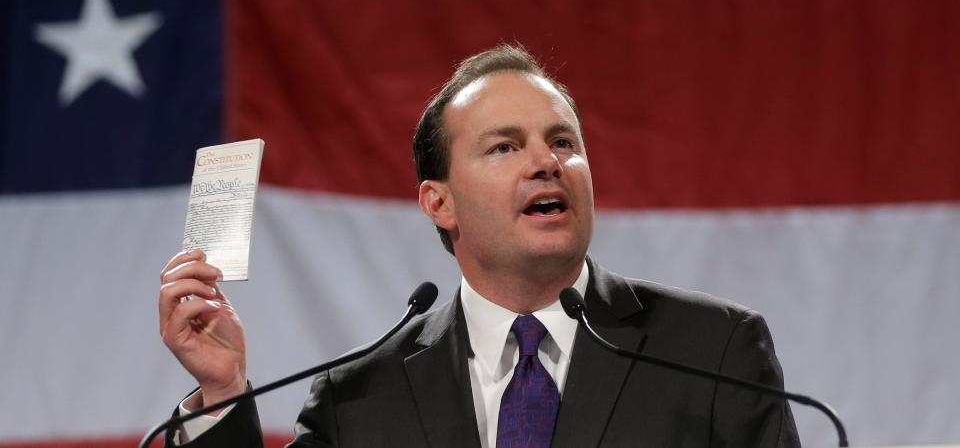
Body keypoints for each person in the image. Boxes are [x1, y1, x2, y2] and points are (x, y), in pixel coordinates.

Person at [159, 45, 800, 447]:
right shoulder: (359, 396)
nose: (547, 162)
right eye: (505, 146)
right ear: (439, 202)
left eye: (564, 142)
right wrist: (222, 393)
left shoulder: (713, 351)